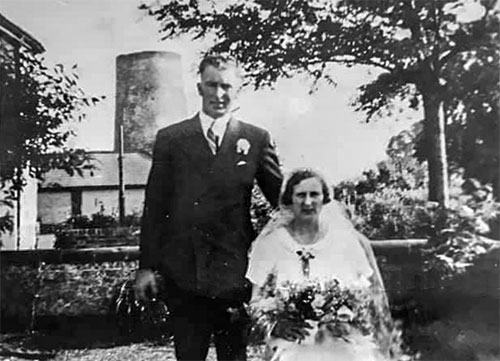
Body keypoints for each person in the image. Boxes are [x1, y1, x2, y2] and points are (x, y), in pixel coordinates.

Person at [135, 54, 283, 361]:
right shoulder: (171, 139)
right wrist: (146, 266)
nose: (219, 94)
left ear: (238, 89)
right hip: (185, 273)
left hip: (235, 272)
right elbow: (155, 208)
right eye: (212, 85)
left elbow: (282, 202)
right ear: (199, 87)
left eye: (226, 86)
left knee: (234, 357)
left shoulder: (255, 138)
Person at [246, 169, 399, 361]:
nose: (308, 202)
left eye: (314, 194)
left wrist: (348, 317)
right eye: (301, 195)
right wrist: (277, 325)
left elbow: (368, 297)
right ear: (290, 199)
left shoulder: (344, 241)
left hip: (341, 339)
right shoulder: (271, 244)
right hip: (292, 340)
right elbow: (256, 301)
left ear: (325, 199)